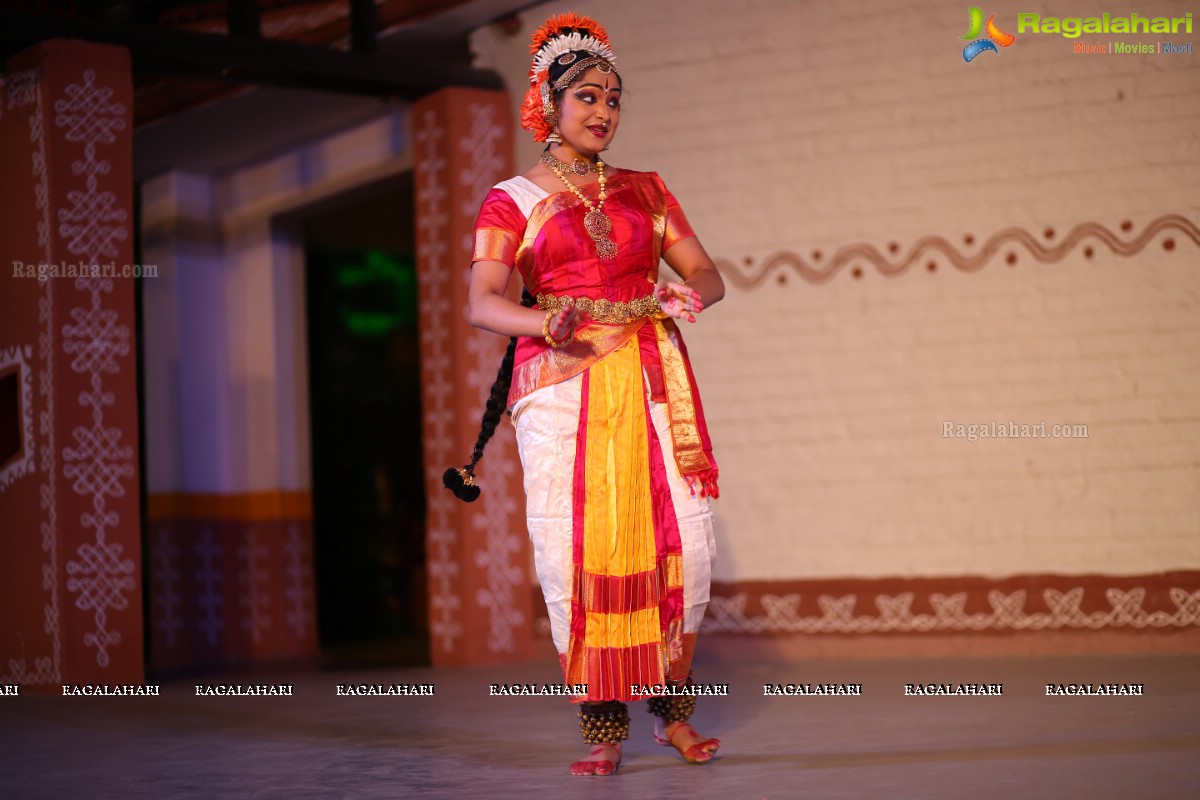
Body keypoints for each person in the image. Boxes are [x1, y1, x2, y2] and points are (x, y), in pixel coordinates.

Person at [444, 12, 725, 777]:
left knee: (681, 541)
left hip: (648, 370)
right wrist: (546, 318)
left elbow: (708, 274)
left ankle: (672, 716)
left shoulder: (647, 189)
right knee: (576, 549)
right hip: (563, 378)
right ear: (549, 104)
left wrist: (685, 296)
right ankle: (602, 728)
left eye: (614, 99)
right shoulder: (511, 201)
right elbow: (481, 302)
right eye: (588, 98)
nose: (603, 112)